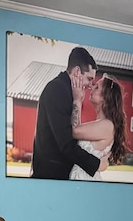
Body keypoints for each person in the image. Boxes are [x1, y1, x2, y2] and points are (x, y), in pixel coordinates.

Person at [30, 47, 109, 180]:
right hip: (50, 175)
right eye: (89, 79)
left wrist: (77, 100)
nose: (90, 85)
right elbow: (66, 144)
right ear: (77, 71)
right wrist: (97, 164)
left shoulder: (69, 91)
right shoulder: (57, 90)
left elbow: (74, 131)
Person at [69, 73, 129, 181]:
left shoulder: (107, 125)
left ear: (105, 97)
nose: (91, 87)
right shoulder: (102, 123)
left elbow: (73, 130)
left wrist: (77, 100)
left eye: (96, 87)